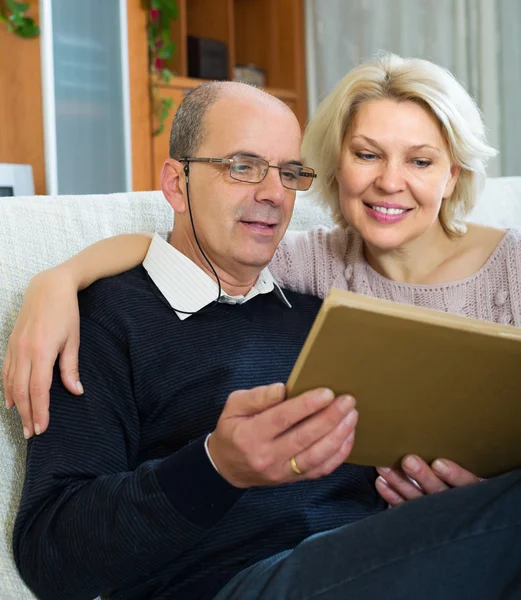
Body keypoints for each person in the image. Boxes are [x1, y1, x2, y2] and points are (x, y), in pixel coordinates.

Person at [6, 72, 521, 600]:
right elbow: (51, 554)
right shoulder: (105, 316)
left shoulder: (323, 312)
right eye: (242, 166)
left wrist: (436, 502)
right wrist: (215, 468)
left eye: (289, 172)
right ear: (174, 183)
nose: (274, 194)